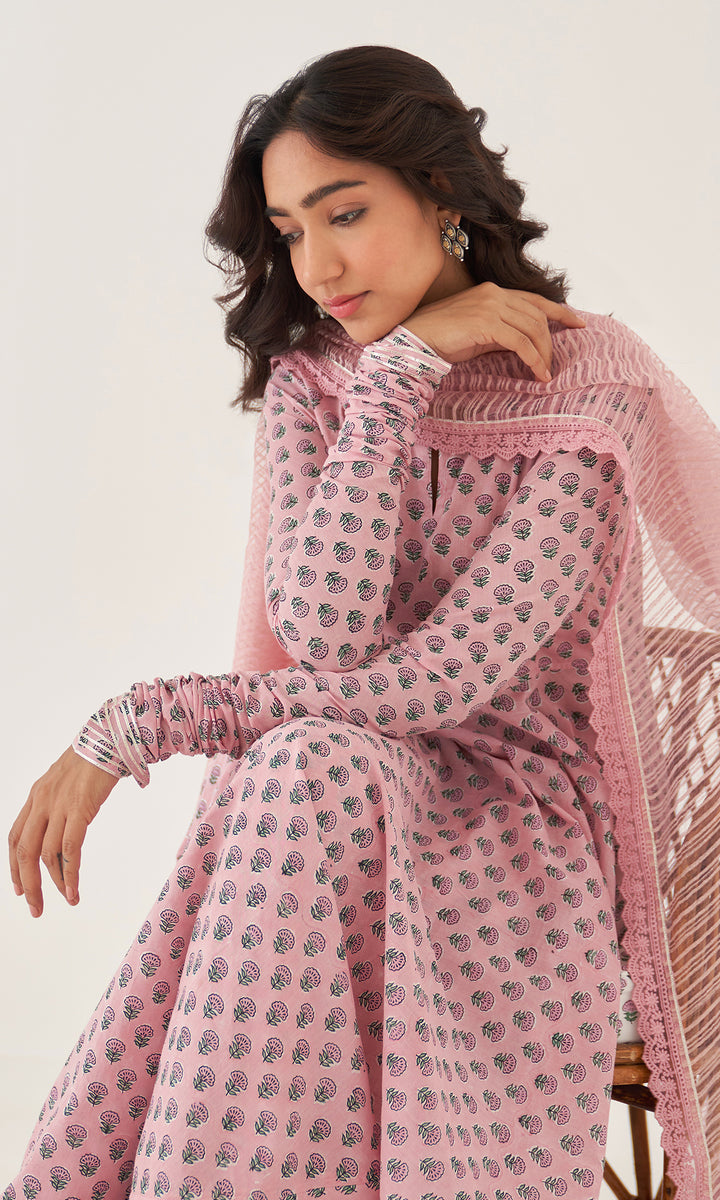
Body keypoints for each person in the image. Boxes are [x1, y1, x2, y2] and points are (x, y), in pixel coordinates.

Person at [5, 44, 720, 1200]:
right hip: (339, 794)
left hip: (514, 830)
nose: (319, 265)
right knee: (311, 764)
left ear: (440, 194)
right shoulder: (317, 383)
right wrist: (398, 376)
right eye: (291, 231)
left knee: (308, 766)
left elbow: (438, 686)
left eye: (345, 213)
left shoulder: (593, 388)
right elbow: (327, 636)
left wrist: (145, 720)